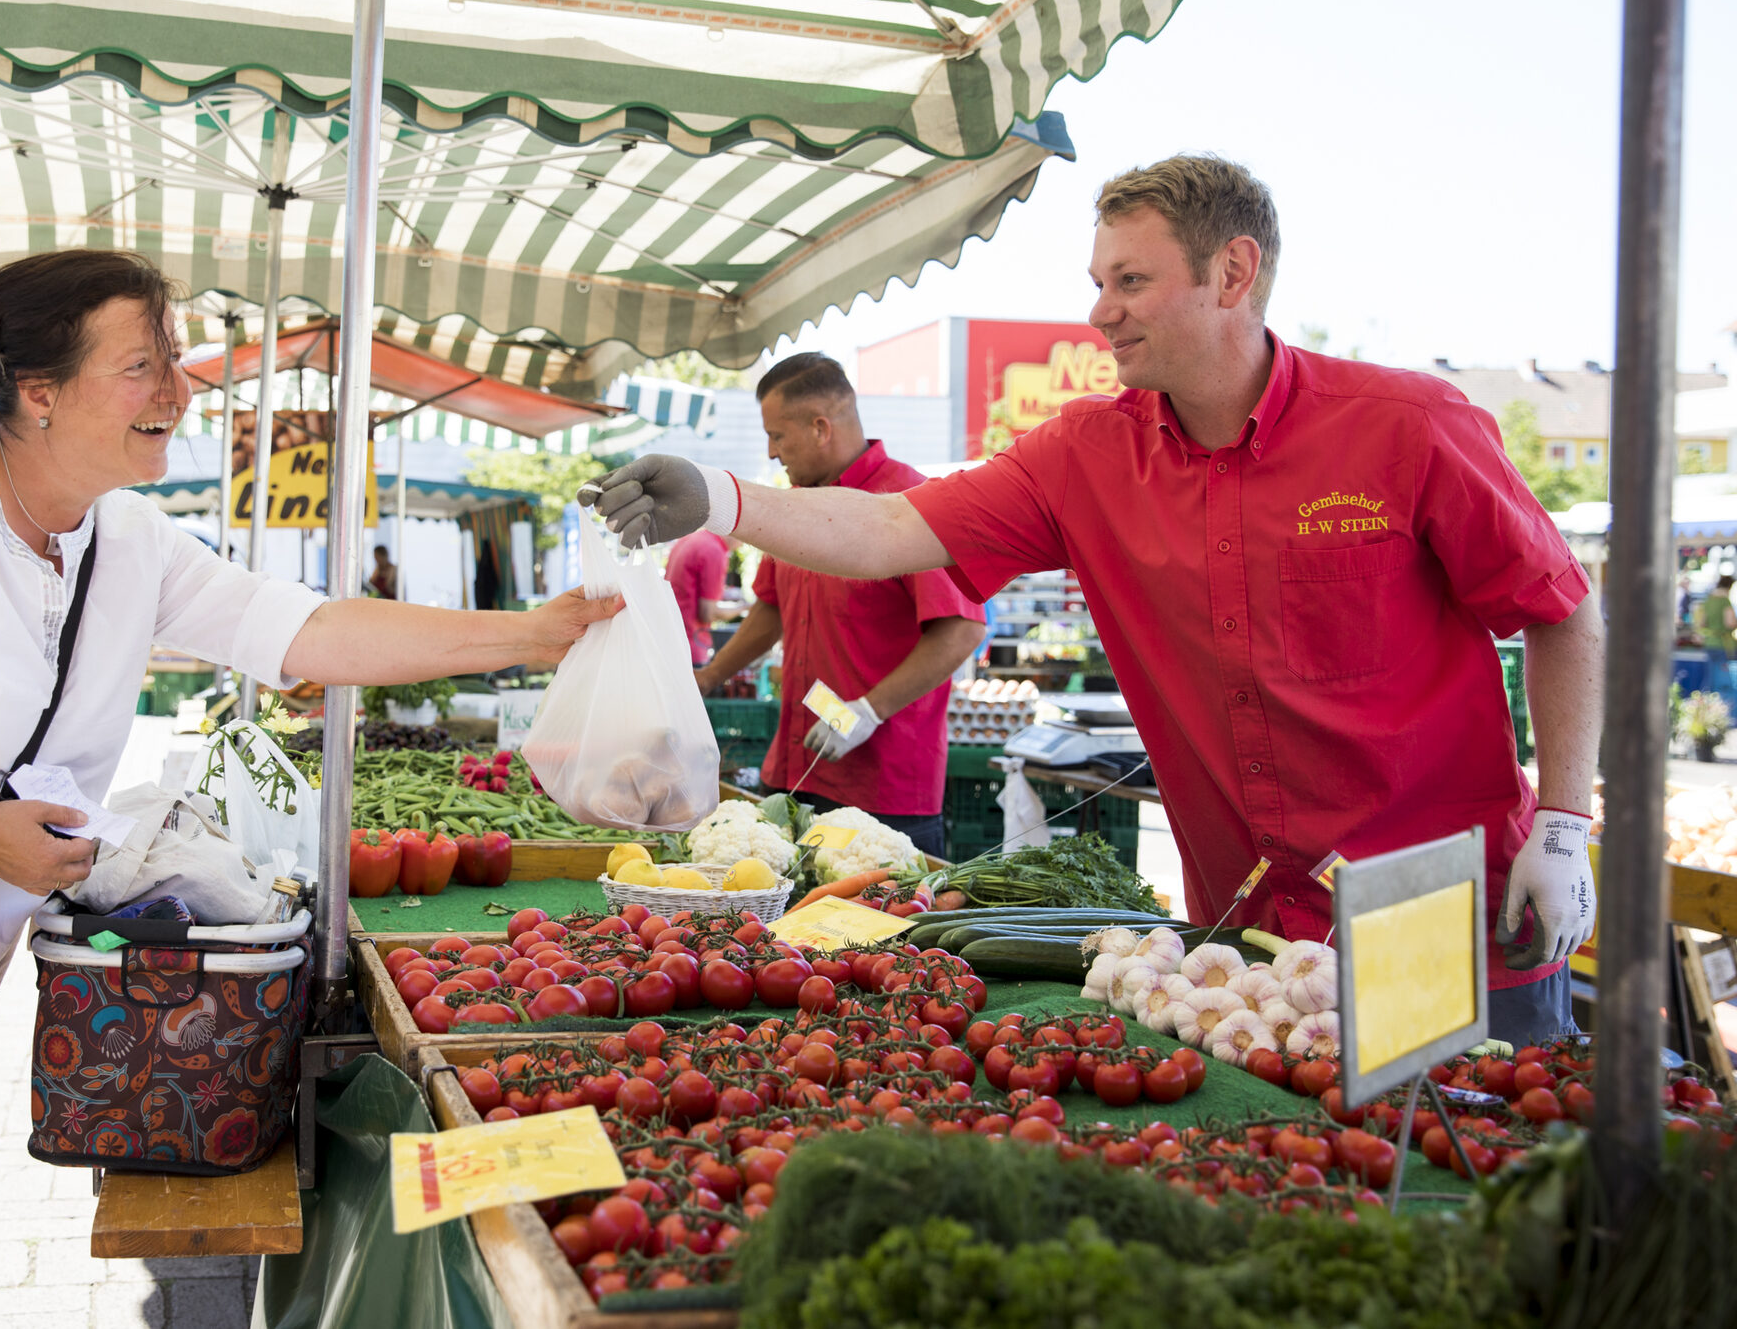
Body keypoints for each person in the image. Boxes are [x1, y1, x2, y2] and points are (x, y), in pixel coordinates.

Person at [0, 249, 619, 1329]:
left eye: (175, 358)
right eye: (144, 365)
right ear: (37, 392)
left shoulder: (123, 537)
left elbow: (306, 630)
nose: (180, 391)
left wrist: (532, 634)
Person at [586, 155, 1605, 1045]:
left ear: (1232, 274)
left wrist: (1561, 828)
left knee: (1479, 1218)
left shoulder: (1407, 426)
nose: (1100, 310)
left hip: (1447, 921)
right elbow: (895, 531)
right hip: (1243, 944)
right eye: (1097, 282)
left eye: (1131, 281)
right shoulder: (1084, 453)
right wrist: (718, 496)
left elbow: (1563, 613)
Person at [694, 354, 989, 857]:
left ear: (819, 428)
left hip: (882, 790)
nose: (771, 452)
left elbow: (961, 629)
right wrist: (706, 679)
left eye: (778, 436)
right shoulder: (796, 505)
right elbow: (771, 608)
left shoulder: (909, 502)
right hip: (793, 769)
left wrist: (868, 712)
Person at [666, 529, 741, 666]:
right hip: (692, 644)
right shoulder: (715, 551)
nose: (741, 546)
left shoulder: (690, 538)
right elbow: (708, 613)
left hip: (669, 639)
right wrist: (744, 607)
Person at [1694, 575, 1735, 702]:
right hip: (1724, 644)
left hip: (1710, 642)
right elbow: (1730, 623)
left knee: (1710, 677)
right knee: (1724, 679)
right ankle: (1723, 707)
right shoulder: (1724, 601)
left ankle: (1707, 705)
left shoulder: (1708, 601)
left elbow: (1702, 623)